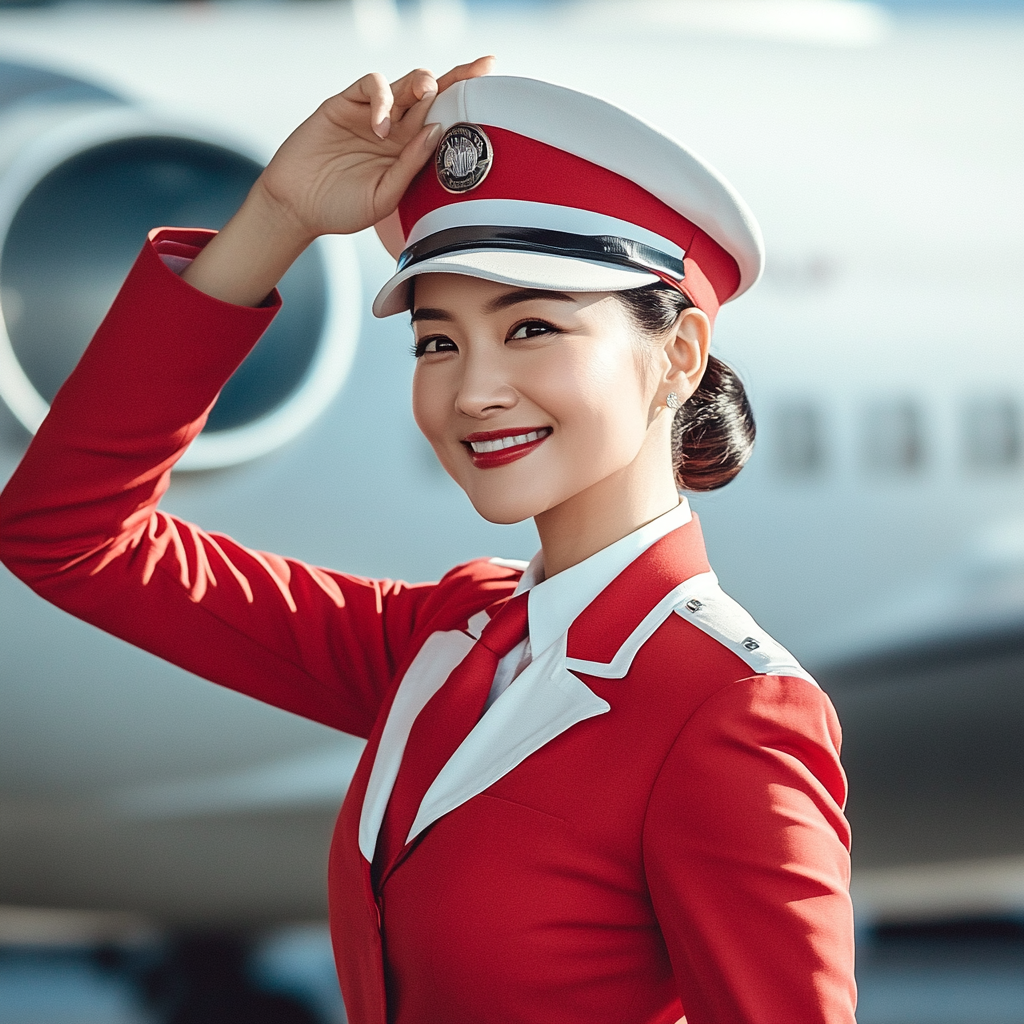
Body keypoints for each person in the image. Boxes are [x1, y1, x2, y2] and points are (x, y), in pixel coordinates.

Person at [0, 58, 856, 1024]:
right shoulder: (448, 642)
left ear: (681, 355)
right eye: (437, 342)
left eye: (531, 327)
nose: (472, 390)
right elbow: (68, 535)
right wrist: (277, 216)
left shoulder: (731, 711)